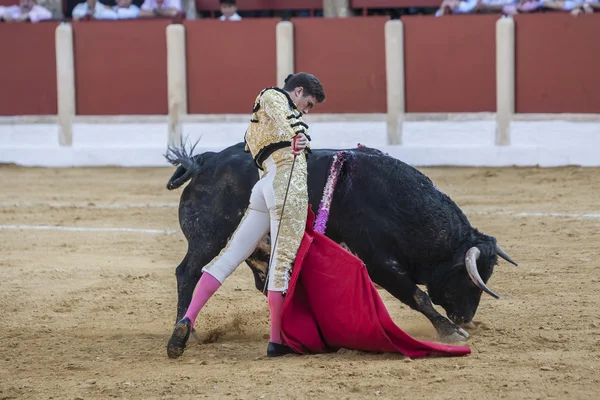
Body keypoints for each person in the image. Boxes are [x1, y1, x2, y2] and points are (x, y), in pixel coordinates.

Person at [167, 72, 325, 359]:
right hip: (285, 187)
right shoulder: (273, 98)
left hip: (264, 185)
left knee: (229, 256)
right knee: (280, 264)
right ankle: (277, 341)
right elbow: (287, 119)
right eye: (309, 103)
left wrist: (297, 138)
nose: (306, 110)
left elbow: (264, 139)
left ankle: (186, 319)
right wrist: (298, 136)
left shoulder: (261, 117)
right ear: (298, 91)